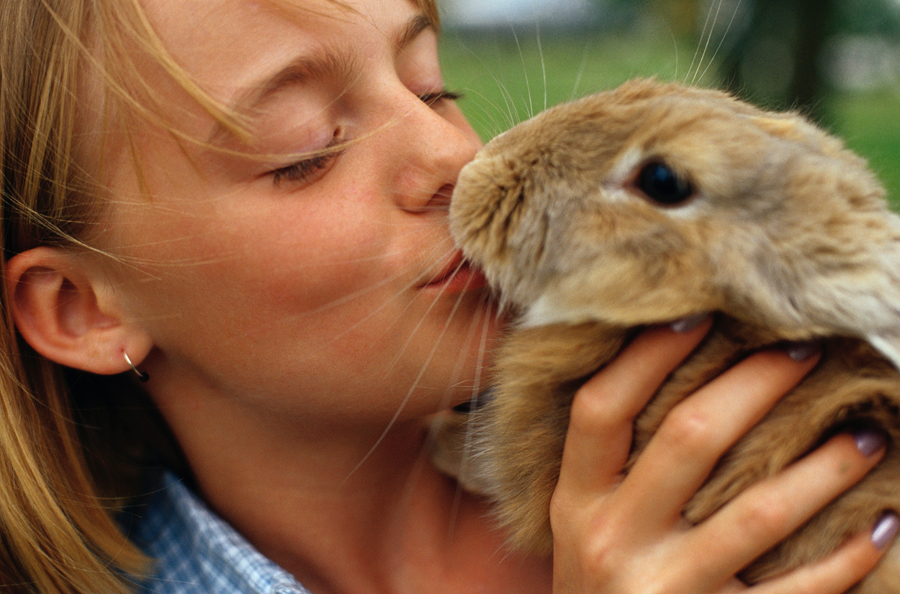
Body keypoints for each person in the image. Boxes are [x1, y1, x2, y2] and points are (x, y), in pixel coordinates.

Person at [0, 0, 896, 592]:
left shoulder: (771, 417)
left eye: (433, 86)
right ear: (83, 308)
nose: (454, 157)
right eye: (304, 149)